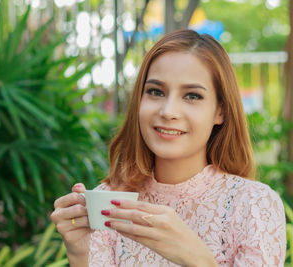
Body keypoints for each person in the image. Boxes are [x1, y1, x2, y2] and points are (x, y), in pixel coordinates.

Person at [50, 29, 286, 266]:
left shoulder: (253, 205)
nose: (168, 111)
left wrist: (199, 260)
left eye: (192, 96)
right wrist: (80, 253)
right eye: (156, 92)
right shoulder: (110, 203)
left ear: (220, 111)